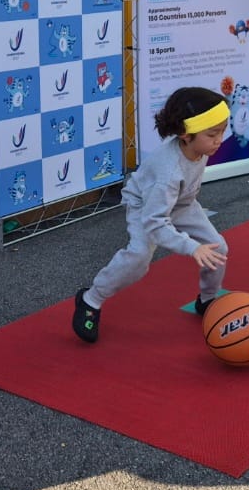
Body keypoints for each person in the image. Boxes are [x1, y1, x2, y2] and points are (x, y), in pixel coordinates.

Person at [71, 87, 230, 343]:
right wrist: (191, 247)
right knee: (139, 257)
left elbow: (180, 202)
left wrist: (199, 244)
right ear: (185, 134)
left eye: (222, 130)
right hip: (146, 205)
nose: (219, 139)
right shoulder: (168, 172)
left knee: (217, 248)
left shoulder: (199, 147)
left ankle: (207, 299)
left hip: (181, 203)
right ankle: (91, 299)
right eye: (212, 133)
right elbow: (155, 222)